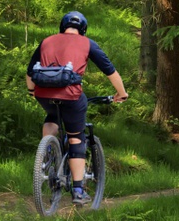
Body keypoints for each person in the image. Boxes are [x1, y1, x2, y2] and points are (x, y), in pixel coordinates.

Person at [28, 11, 128, 205]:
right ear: (83, 29)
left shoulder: (46, 41)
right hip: (72, 96)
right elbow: (110, 71)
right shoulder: (87, 43)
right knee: (76, 136)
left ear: (62, 26)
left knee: (52, 114)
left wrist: (32, 91)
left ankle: (48, 151)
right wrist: (121, 93)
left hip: (44, 94)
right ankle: (78, 190)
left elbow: (30, 72)